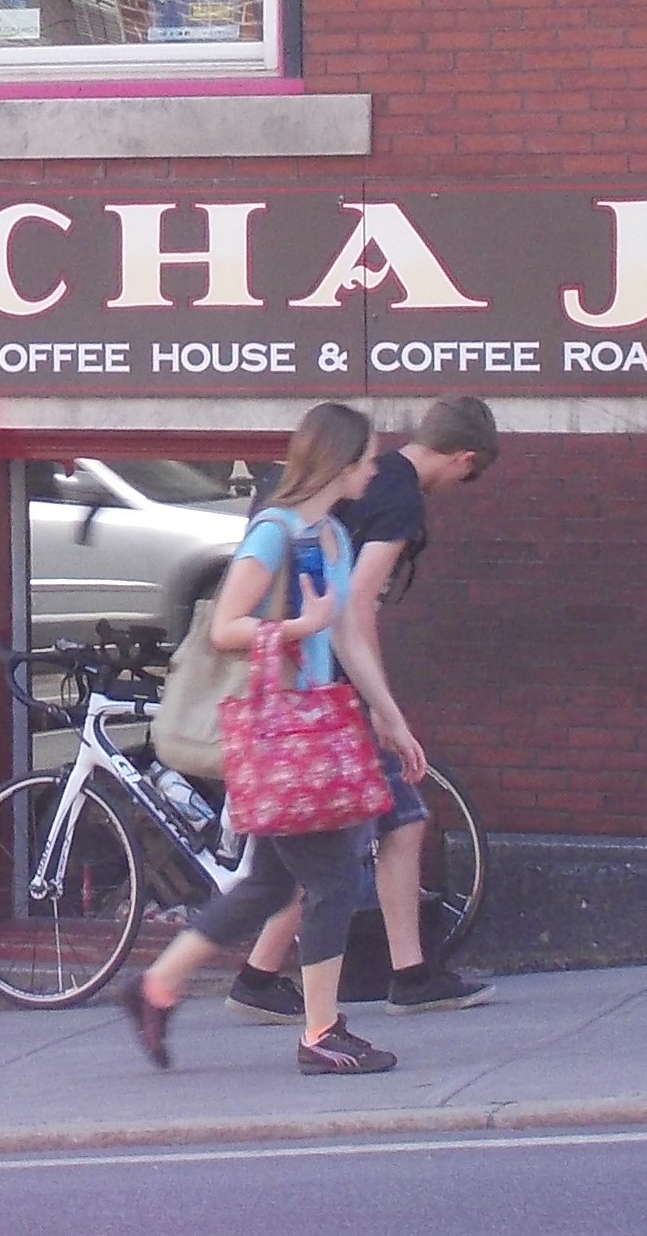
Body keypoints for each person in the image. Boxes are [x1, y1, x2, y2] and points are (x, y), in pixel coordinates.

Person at [119, 402, 420, 1077]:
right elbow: (225, 625)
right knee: (335, 877)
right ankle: (321, 1032)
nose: (375, 469)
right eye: (367, 458)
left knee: (265, 886)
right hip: (281, 737)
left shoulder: (333, 539)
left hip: (310, 729)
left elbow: (344, 635)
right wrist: (295, 627)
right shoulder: (274, 535)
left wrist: (390, 716)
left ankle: (153, 988)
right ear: (338, 462)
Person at [227, 395, 500, 1022]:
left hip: (307, 683)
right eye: (471, 473)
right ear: (463, 457)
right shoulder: (399, 498)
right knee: (386, 824)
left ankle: (261, 974)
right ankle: (403, 978)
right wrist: (382, 707)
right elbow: (357, 608)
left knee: (327, 840)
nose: (465, 484)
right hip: (331, 694)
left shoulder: (355, 485)